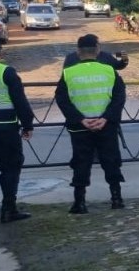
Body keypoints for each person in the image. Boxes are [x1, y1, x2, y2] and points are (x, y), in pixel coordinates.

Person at [54, 34, 126, 214]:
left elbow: (62, 99)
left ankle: (79, 202)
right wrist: (106, 118)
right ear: (98, 50)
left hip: (79, 127)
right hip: (106, 125)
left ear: (78, 52)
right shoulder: (109, 71)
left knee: (81, 162)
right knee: (111, 160)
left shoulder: (68, 72)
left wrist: (80, 119)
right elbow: (119, 98)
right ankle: (116, 199)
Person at [0, 38, 34, 223]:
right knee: (10, 168)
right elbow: (20, 101)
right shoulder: (6, 72)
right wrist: (28, 125)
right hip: (5, 128)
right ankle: (8, 209)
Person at [63, 33, 129, 71]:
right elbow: (119, 66)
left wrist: (123, 59)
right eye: (99, 43)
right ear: (97, 46)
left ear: (78, 48)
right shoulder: (105, 57)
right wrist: (123, 58)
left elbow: (63, 84)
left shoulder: (70, 58)